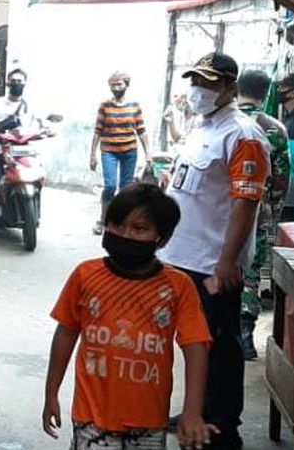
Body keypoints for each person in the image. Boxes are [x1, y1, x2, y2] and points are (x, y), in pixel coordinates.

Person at [42, 183, 217, 450]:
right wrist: (51, 392)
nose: (125, 234)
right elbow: (66, 332)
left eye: (139, 229)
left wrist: (192, 412)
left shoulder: (178, 286)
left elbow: (196, 347)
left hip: (149, 421)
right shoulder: (85, 276)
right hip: (92, 418)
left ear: (163, 238)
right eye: (117, 224)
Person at [158, 52, 270, 450]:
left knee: (220, 346)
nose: (199, 91)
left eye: (209, 84)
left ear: (230, 88)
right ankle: (197, 412)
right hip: (181, 257)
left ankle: (222, 428)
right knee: (193, 343)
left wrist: (226, 263)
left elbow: (246, 202)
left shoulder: (244, 136)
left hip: (211, 265)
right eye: (196, 82)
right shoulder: (202, 128)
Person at [236, 70, 291, 361]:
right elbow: (282, 178)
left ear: (236, 89)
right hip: (259, 210)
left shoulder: (223, 124)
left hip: (223, 210)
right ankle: (246, 336)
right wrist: (272, 211)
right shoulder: (275, 129)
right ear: (266, 92)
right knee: (253, 272)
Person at [0, 68, 45, 233]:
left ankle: (34, 213)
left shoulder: (31, 105)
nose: (16, 84)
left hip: (25, 150)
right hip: (0, 150)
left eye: (20, 81)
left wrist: (47, 129)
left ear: (25, 84)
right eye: (13, 81)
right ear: (8, 83)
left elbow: (42, 122)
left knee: (39, 177)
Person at [90, 71, 152, 235]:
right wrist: (92, 155)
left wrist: (148, 154)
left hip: (129, 151)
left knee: (125, 188)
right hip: (109, 151)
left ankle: (122, 221)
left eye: (119, 85)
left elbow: (141, 130)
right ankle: (103, 219)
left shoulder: (134, 106)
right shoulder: (105, 106)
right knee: (110, 186)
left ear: (126, 85)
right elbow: (97, 131)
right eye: (113, 85)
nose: (116, 88)